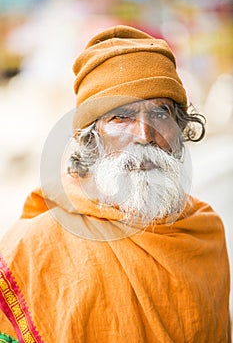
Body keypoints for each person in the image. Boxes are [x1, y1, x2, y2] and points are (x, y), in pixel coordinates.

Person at [0, 25, 231, 342]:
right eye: (120, 116)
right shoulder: (34, 246)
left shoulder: (204, 234)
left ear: (180, 128)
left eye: (161, 112)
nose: (144, 134)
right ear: (90, 137)